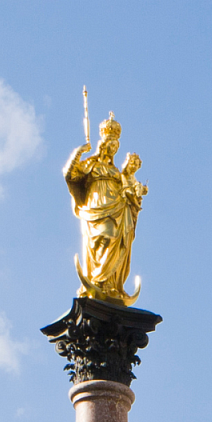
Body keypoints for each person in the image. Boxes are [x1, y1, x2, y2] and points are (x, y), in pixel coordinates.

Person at [64, 113, 148, 306]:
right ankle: (96, 280)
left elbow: (128, 192)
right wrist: (78, 152)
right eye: (111, 145)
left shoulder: (117, 173)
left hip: (116, 208)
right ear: (103, 145)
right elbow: (69, 174)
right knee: (100, 239)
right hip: (95, 206)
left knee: (115, 240)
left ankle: (109, 284)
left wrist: (135, 195)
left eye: (116, 147)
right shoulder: (91, 164)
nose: (113, 150)